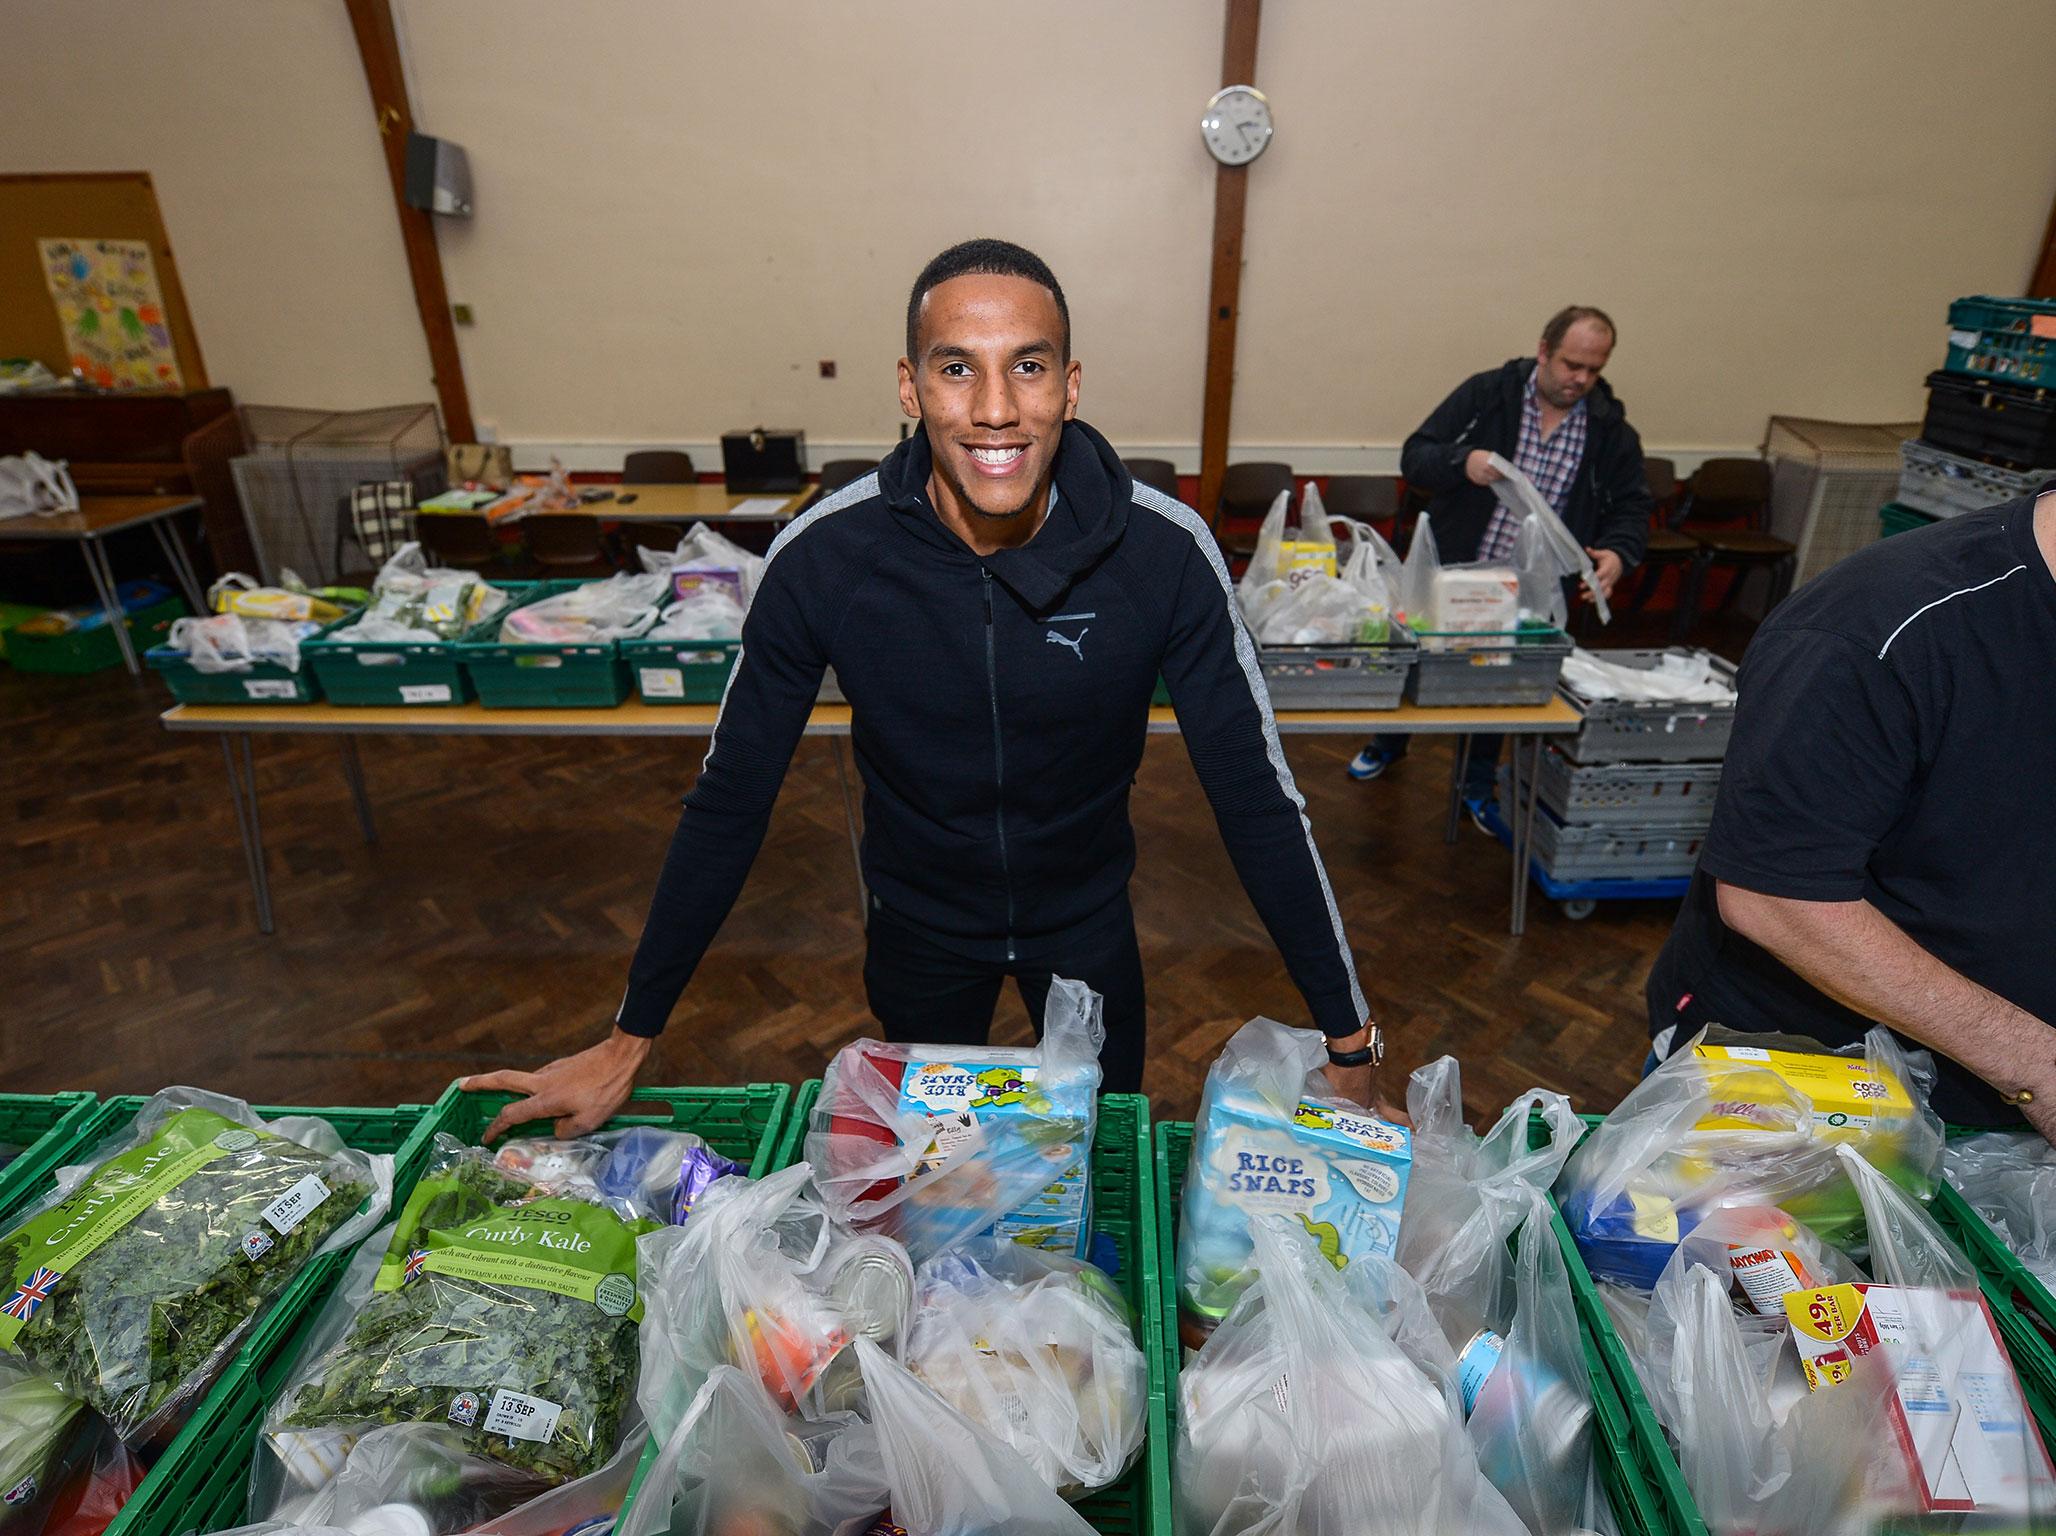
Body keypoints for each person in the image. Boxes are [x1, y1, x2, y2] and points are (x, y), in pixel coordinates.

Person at [465, 238, 1388, 1139]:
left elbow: (1257, 797)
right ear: (910, 388)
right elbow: (730, 798)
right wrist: (632, 1036)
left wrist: (1350, 1039)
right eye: (957, 369)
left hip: (1088, 929)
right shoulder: (827, 556)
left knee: (1090, 1178)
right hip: (918, 930)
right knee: (933, 1187)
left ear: (1070, 385)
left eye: (1027, 366)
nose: (995, 409)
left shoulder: (1163, 552)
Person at [1645, 483, 2056, 1143]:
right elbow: (1775, 897)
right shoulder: (1874, 627)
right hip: (1803, 1093)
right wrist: (2038, 1064)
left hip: (2009, 1111)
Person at [1347, 307, 1651, 821]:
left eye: (1593, 370)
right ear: (1543, 351)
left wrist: (1619, 552)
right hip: (1457, 569)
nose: (1580, 379)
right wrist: (1460, 463)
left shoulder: (1610, 430)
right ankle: (1389, 741)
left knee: (1501, 681)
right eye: (1570, 364)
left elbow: (1632, 506)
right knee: (1421, 657)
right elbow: (1416, 454)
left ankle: (1477, 779)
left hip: (1531, 589)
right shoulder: (1489, 394)